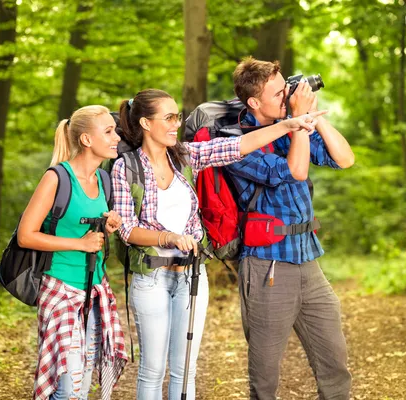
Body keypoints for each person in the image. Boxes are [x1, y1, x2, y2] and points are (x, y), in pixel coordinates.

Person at [111, 88, 324, 400]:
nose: (176, 124)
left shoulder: (185, 156)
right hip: (151, 277)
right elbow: (127, 230)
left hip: (191, 276)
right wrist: (168, 238)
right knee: (153, 369)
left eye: (177, 116)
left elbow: (234, 146)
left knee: (186, 368)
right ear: (145, 123)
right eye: (168, 117)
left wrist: (288, 125)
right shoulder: (125, 167)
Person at [224, 56, 355, 399]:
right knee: (265, 375)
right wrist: (297, 121)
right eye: (279, 92)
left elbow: (344, 158)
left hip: (308, 260)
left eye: (287, 88)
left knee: (334, 362)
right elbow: (294, 171)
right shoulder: (238, 142)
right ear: (254, 102)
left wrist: (315, 119)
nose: (288, 95)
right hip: (266, 265)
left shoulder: (290, 124)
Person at [17, 105, 127, 400]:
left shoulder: (102, 180)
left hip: (94, 288)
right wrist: (80, 244)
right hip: (60, 288)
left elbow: (88, 227)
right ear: (86, 140)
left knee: (84, 377)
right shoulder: (57, 178)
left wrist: (108, 222)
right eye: (108, 131)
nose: (116, 136)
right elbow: (26, 235)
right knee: (66, 387)